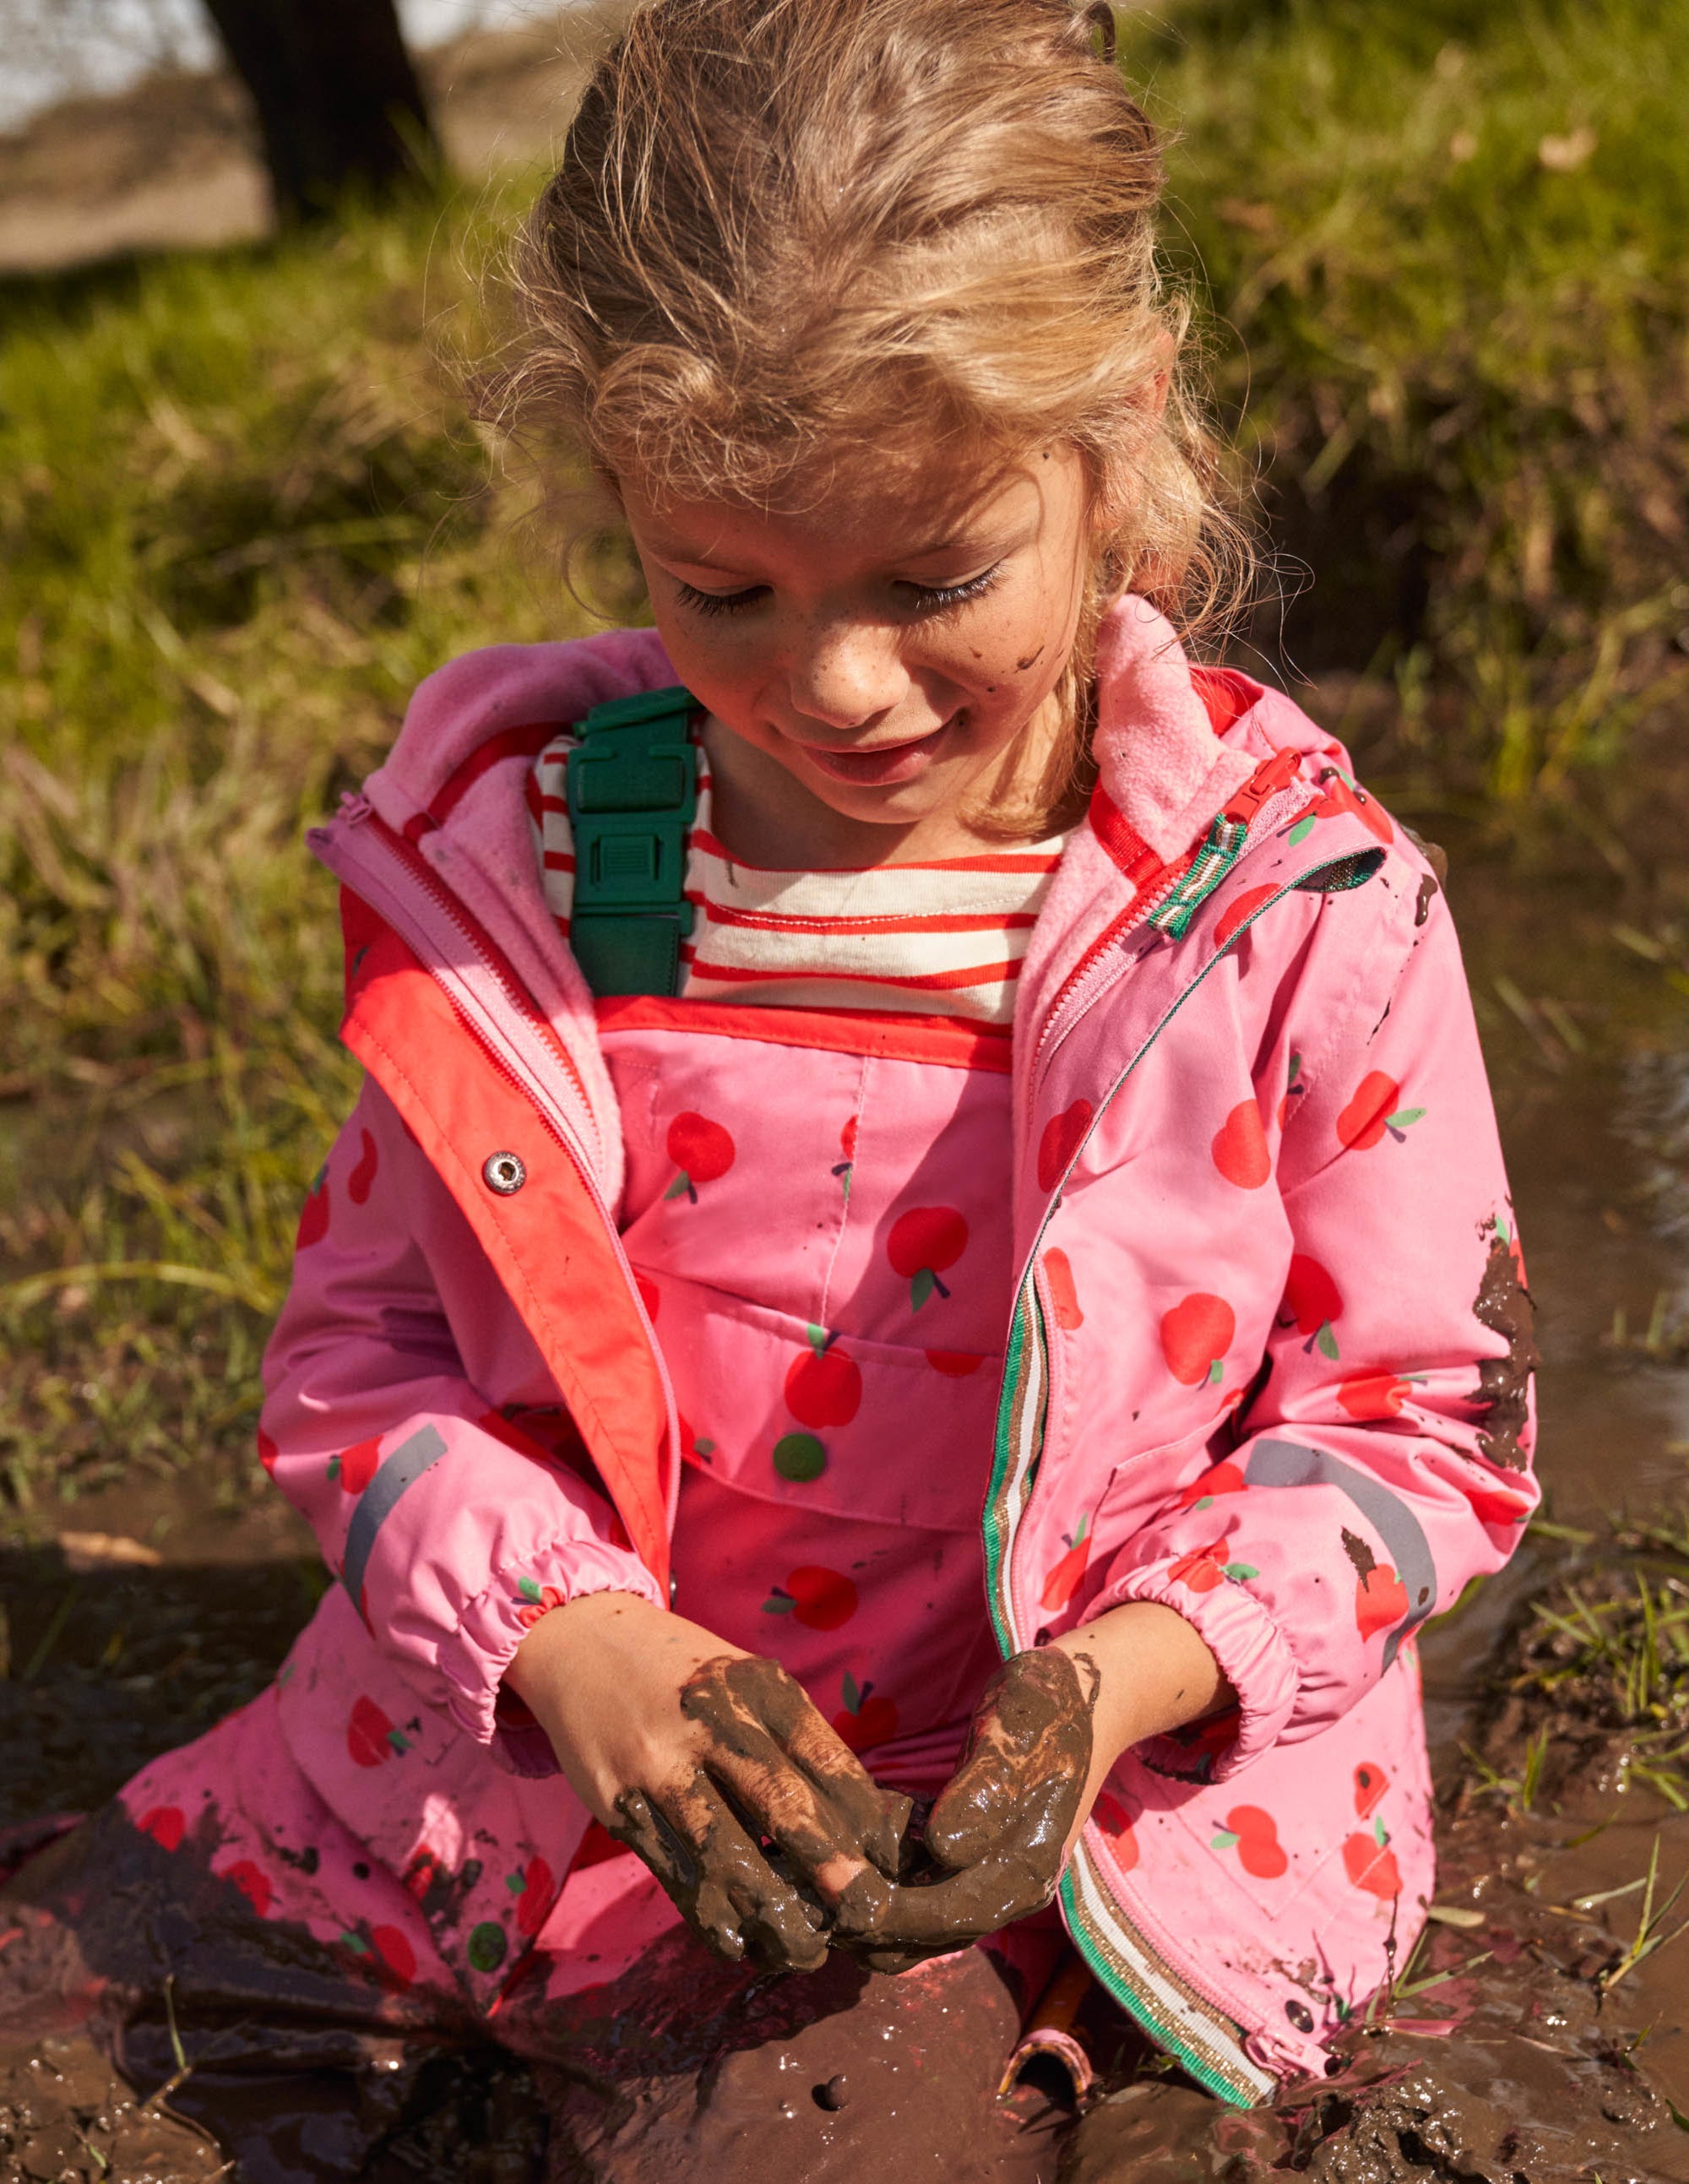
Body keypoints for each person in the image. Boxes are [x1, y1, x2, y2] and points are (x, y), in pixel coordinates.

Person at [0, 0, 1540, 2174]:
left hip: (1022, 1813)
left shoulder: (1291, 909)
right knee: (67, 2027)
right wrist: (578, 1649)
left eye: (934, 579)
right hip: (538, 1731)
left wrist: (1115, 1684)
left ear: (1123, 434)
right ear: (607, 491)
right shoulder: (527, 875)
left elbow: (1414, 1423)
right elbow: (359, 1364)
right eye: (717, 585)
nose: (831, 683)